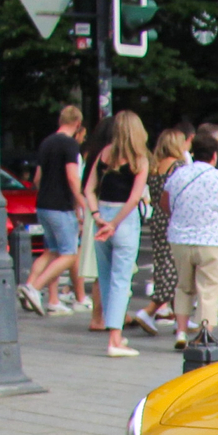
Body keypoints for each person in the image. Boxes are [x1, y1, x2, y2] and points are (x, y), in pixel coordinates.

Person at [163, 129, 218, 347]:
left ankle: (180, 332)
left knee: (183, 286)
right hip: (214, 241)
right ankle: (203, 332)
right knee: (209, 289)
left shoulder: (178, 175)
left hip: (181, 238)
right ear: (214, 155)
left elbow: (164, 203)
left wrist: (179, 218)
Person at [89, 110, 151, 356]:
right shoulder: (139, 160)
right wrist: (114, 223)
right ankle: (115, 338)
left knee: (105, 276)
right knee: (121, 278)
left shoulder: (103, 154)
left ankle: (112, 329)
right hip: (122, 221)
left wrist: (97, 216)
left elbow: (89, 189)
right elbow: (135, 197)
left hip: (101, 216)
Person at [21, 105, 89, 316]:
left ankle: (29, 286)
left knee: (51, 251)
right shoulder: (69, 145)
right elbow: (72, 177)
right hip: (61, 206)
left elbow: (37, 178)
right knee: (69, 253)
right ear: (78, 124)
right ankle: (34, 288)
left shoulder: (47, 142)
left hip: (43, 204)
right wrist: (83, 203)